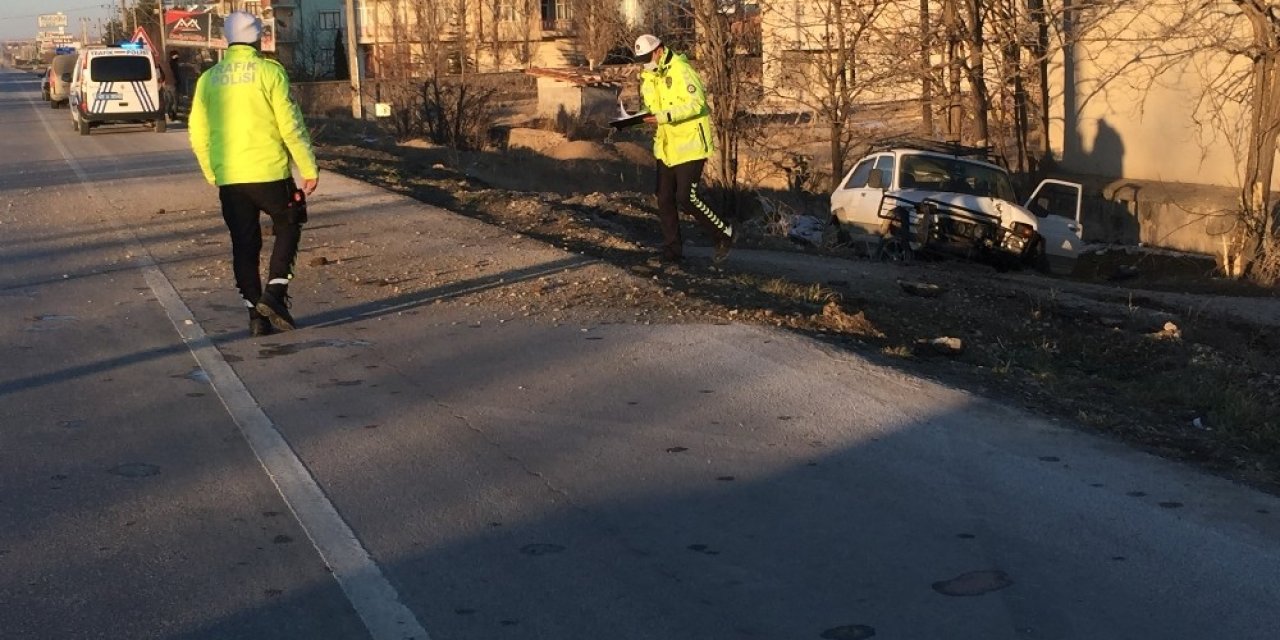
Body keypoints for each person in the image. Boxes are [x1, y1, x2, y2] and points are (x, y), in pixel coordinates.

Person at [188, 11, 319, 336]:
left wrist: (212, 171)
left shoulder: (209, 79)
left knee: (244, 245)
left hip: (231, 178)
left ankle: (255, 317)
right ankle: (274, 294)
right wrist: (308, 166)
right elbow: (290, 124)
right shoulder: (269, 72)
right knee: (289, 223)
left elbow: (197, 132)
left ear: (227, 40)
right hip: (269, 172)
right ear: (258, 38)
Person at [634, 33, 733, 266]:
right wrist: (636, 118)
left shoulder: (681, 70)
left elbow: (696, 104)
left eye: (648, 57)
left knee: (686, 198)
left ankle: (723, 233)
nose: (646, 63)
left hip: (691, 145)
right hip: (667, 146)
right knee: (664, 198)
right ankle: (672, 252)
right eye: (642, 59)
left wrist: (663, 116)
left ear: (659, 50)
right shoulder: (649, 76)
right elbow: (651, 107)